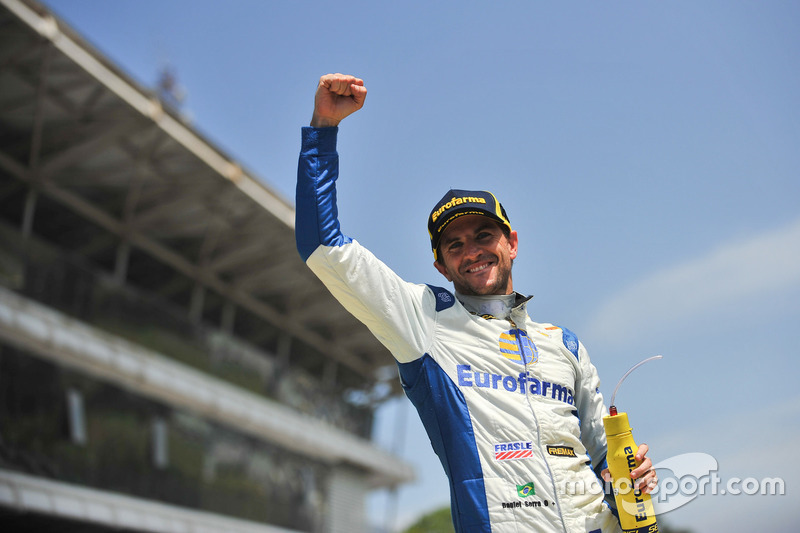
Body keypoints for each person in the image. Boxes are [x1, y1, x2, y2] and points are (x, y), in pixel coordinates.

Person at [296, 73, 657, 533]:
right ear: (441, 267)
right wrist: (323, 129)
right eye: (454, 245)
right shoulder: (423, 321)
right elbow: (323, 248)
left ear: (512, 243)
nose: (471, 251)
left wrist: (627, 477)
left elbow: (604, 459)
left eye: (484, 235)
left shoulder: (565, 345)